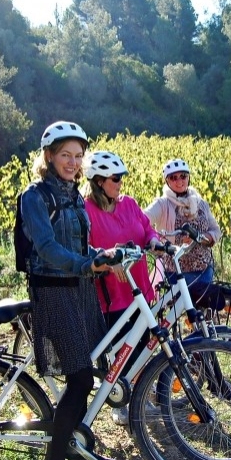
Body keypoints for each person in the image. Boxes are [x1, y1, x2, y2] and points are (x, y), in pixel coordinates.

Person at [19, 121, 118, 460]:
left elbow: (79, 245)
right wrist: (83, 265)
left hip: (78, 290)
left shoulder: (74, 195)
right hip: (53, 291)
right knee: (79, 379)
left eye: (78, 156)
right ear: (48, 156)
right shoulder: (35, 195)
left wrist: (100, 257)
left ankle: (69, 442)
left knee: (84, 376)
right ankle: (55, 457)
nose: (73, 162)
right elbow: (45, 246)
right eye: (65, 155)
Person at [82, 150, 161, 426]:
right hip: (112, 295)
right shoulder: (86, 211)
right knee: (122, 351)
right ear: (99, 181)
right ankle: (119, 403)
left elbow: (146, 228)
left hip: (141, 290)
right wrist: (105, 256)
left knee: (144, 347)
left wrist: (153, 242)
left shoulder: (129, 204)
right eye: (115, 178)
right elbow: (85, 250)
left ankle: (138, 396)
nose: (120, 183)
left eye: (121, 177)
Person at [144, 158, 224, 311]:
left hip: (203, 269)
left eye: (183, 176)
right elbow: (142, 220)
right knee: (177, 315)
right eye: (173, 177)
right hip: (176, 271)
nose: (179, 181)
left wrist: (205, 238)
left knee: (203, 315)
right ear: (167, 181)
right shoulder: (163, 204)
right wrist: (155, 238)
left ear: (188, 177)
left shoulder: (201, 203)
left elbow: (216, 230)